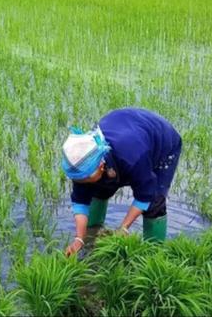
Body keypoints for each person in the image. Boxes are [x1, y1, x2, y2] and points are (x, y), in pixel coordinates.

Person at [61, 108, 182, 257]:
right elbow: (80, 201)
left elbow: (144, 195)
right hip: (124, 126)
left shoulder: (133, 158)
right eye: (80, 180)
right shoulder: (81, 162)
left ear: (101, 166)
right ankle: (93, 233)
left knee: (154, 201)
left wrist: (123, 227)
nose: (82, 183)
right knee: (97, 188)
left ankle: (154, 254)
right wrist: (79, 239)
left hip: (161, 142)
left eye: (86, 178)